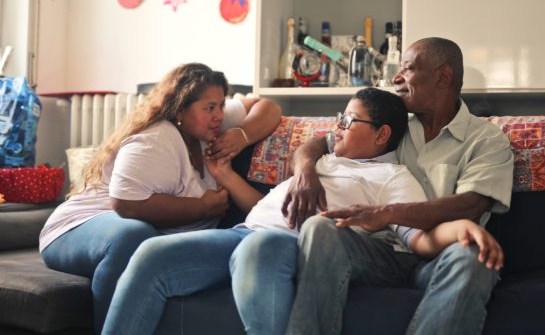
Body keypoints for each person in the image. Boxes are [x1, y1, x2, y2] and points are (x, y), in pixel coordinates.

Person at [101, 87, 503, 335]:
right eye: (340, 118)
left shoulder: (392, 177)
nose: (339, 126)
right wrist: (230, 174)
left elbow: (417, 238)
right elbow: (262, 207)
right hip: (245, 230)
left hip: (288, 245)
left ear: (381, 135)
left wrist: (460, 228)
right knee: (151, 254)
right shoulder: (325, 158)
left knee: (259, 252)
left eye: (349, 120)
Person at [237, 37, 515, 335]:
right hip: (377, 252)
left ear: (442, 76)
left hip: (440, 251)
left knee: (474, 257)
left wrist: (386, 213)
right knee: (321, 227)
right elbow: (318, 143)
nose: (396, 77)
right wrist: (306, 173)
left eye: (407, 69)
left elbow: (471, 204)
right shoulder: (393, 124)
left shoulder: (486, 139)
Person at [39, 63, 282, 333]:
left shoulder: (208, 126)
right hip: (77, 227)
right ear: (180, 109)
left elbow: (266, 106)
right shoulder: (156, 138)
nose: (219, 115)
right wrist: (202, 207)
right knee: (132, 235)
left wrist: (241, 135)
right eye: (209, 108)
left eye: (221, 105)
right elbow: (125, 204)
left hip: (133, 234)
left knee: (145, 244)